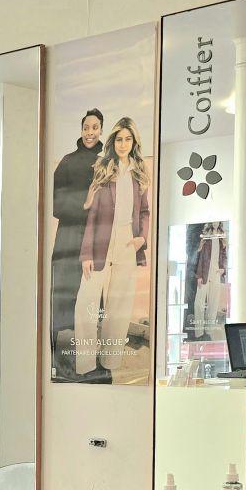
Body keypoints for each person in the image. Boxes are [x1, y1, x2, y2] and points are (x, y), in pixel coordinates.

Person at [81, 117, 151, 377]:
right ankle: (86, 364)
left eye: (128, 139)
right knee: (86, 299)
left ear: (134, 142)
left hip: (127, 238)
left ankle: (109, 363)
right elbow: (91, 214)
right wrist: (86, 253)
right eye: (119, 139)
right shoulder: (103, 167)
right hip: (102, 236)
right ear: (113, 142)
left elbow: (144, 211)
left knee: (120, 302)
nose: (123, 144)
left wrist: (141, 238)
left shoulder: (139, 172)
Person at [49, 108, 104, 378]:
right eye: (86, 127)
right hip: (69, 238)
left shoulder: (109, 161)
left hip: (99, 238)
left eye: (95, 127)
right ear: (81, 130)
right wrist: (84, 203)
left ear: (101, 130)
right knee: (64, 293)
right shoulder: (68, 162)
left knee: (93, 297)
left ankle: (91, 362)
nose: (90, 132)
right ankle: (60, 362)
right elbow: (54, 202)